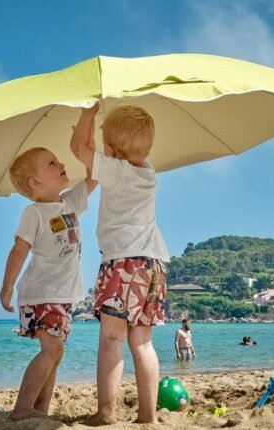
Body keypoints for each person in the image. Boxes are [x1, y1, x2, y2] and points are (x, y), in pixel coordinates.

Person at [71, 103, 169, 426]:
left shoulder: (116, 170)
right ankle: (148, 416)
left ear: (112, 151)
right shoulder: (148, 173)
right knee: (143, 343)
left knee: (112, 339)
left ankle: (105, 412)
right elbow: (93, 157)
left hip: (122, 263)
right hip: (153, 264)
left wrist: (88, 112)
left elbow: (78, 148)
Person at [0, 146, 95, 421]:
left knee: (56, 353)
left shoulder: (71, 202)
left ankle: (40, 411)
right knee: (52, 349)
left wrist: (88, 144)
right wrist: (7, 285)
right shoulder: (35, 213)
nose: (61, 163)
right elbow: (19, 249)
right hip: (42, 292)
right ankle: (22, 408)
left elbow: (95, 176)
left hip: (63, 296)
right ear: (35, 183)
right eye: (52, 163)